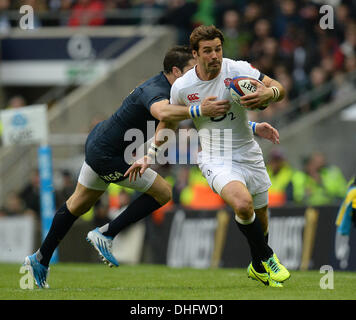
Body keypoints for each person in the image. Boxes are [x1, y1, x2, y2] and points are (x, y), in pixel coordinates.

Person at [24, 44, 280, 289]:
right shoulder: (157, 89)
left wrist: (254, 127)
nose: (196, 73)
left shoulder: (180, 91)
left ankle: (40, 259)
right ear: (177, 71)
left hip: (102, 142)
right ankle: (107, 233)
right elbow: (164, 113)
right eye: (191, 68)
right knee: (163, 192)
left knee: (78, 203)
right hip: (109, 155)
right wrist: (200, 108)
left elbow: (203, 124)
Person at [127, 25, 290, 287]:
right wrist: (150, 155)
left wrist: (267, 94)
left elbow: (278, 88)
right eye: (207, 51)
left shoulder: (237, 69)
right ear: (195, 53)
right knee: (243, 204)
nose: (215, 55)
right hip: (215, 156)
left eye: (218, 49)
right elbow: (168, 123)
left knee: (260, 217)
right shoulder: (183, 87)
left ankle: (258, 265)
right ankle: (268, 257)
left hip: (248, 151)